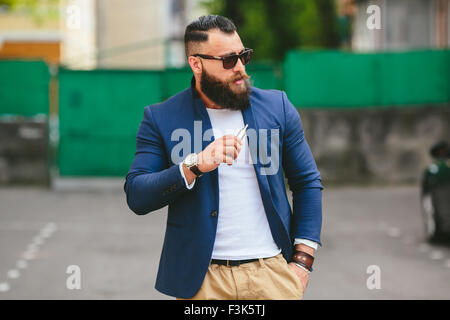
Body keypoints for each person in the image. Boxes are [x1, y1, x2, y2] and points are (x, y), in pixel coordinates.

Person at [124, 15, 324, 300]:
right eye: (229, 60)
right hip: (202, 283)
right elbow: (137, 195)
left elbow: (307, 183)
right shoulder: (161, 118)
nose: (240, 68)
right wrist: (195, 165)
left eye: (244, 56)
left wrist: (303, 262)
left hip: (271, 274)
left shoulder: (277, 107)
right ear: (196, 64)